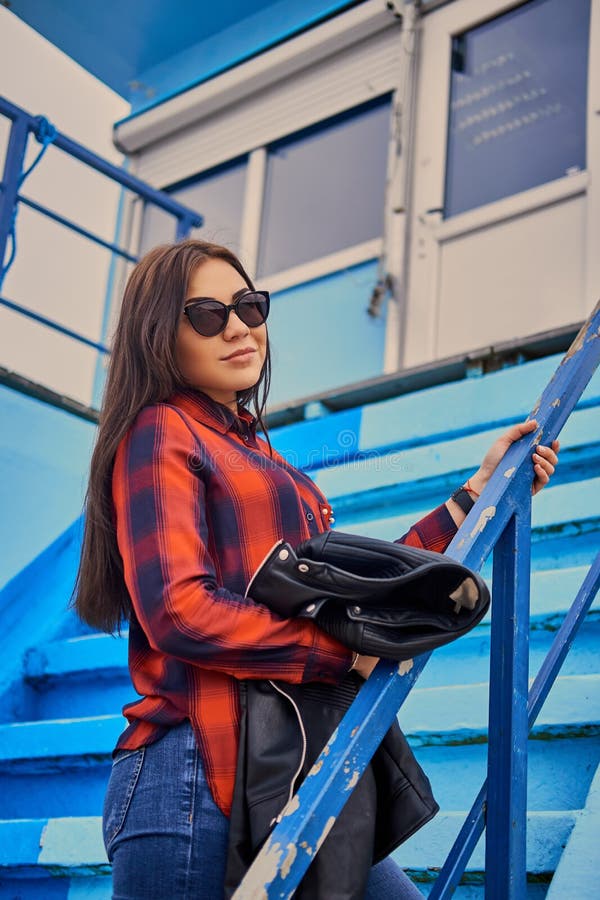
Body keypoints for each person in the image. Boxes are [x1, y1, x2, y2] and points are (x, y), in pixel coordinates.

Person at [73, 239, 559, 900]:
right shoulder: (161, 432)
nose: (240, 326)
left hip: (287, 769)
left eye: (249, 305)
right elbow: (179, 609)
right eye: (209, 315)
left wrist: (473, 495)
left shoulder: (273, 466)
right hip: (191, 779)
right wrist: (336, 655)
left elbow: (353, 591)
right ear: (160, 335)